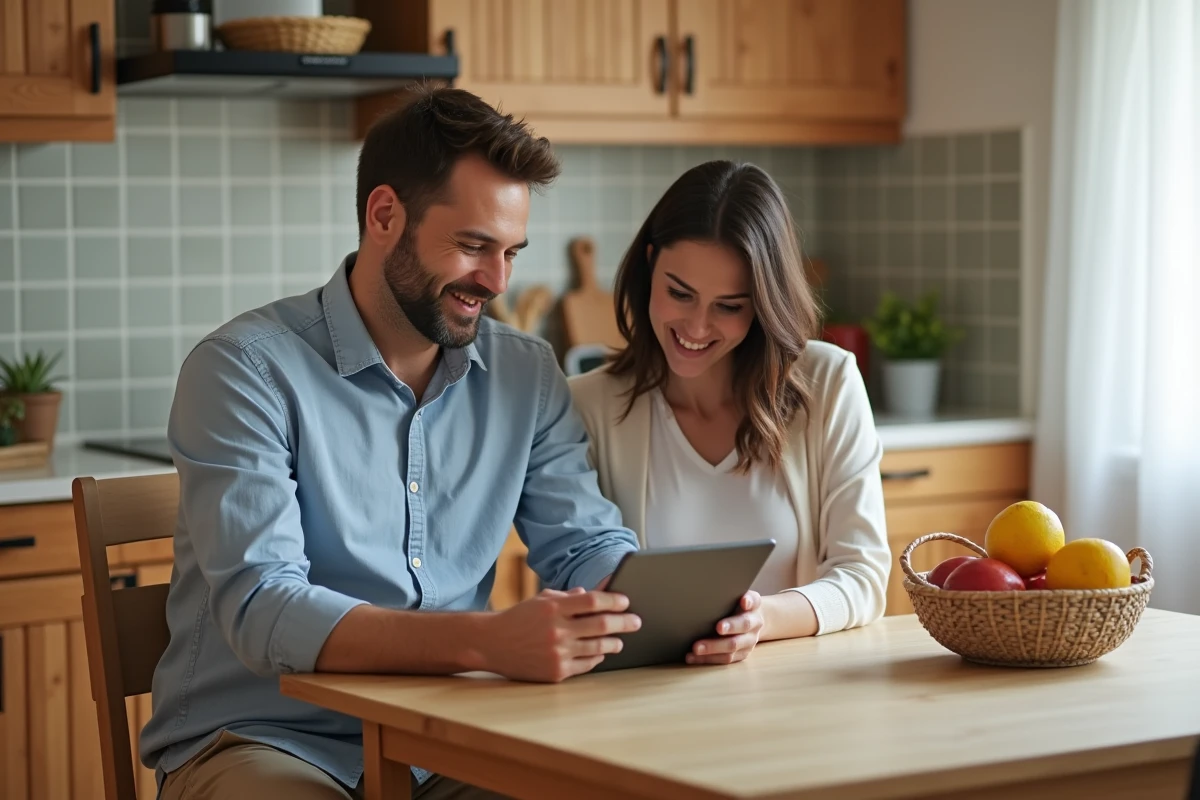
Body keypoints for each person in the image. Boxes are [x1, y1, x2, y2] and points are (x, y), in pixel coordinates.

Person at [142, 85, 642, 800]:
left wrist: (664, 604)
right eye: (473, 247)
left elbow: (584, 546)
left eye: (509, 252)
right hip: (268, 741)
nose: (497, 282)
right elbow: (264, 608)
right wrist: (487, 643)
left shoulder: (524, 373)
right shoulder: (244, 370)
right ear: (384, 215)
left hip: (449, 740)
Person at [568, 160, 891, 666]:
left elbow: (864, 577)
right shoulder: (586, 405)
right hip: (641, 710)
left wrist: (760, 622)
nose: (696, 326)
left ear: (763, 303)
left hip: (800, 700)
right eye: (680, 293)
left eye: (730, 305)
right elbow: (577, 585)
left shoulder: (829, 382)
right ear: (649, 264)